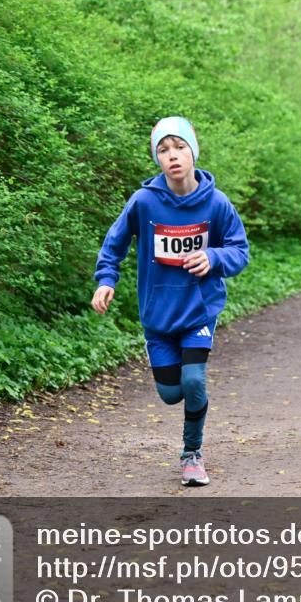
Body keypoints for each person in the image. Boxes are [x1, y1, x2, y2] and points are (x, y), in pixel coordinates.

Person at [92, 116, 249, 487]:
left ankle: (192, 453)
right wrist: (106, 279)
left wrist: (213, 257)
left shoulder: (217, 203)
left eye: (179, 147)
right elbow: (114, 243)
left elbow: (239, 251)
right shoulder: (144, 202)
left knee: (193, 381)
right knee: (170, 394)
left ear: (193, 151)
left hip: (199, 309)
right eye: (163, 150)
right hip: (158, 314)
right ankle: (183, 402)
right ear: (156, 159)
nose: (172, 155)